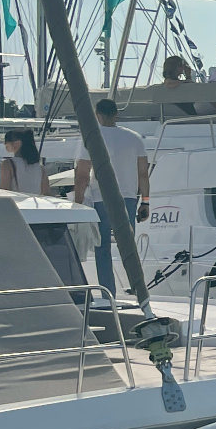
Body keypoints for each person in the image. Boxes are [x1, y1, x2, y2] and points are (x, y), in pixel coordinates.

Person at [71, 98, 149, 299]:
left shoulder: (91, 137)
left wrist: (77, 202)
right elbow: (143, 174)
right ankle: (138, 290)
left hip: (101, 197)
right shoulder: (135, 138)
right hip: (130, 198)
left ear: (97, 114)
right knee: (127, 246)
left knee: (102, 247)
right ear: (116, 114)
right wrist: (146, 201)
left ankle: (109, 295)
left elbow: (82, 174)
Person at [0, 128, 50, 196]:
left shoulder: (8, 164)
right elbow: (46, 192)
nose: (5, 144)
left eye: (6, 142)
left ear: (16, 143)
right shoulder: (40, 167)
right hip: (34, 204)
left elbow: (4, 190)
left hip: (17, 204)